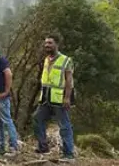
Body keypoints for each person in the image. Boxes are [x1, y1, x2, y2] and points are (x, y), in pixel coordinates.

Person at [33, 34, 75, 162]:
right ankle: (43, 147)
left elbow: (69, 81)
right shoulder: (47, 59)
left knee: (64, 125)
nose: (47, 45)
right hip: (45, 98)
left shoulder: (66, 60)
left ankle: (68, 154)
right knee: (37, 118)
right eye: (46, 43)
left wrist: (67, 98)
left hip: (59, 99)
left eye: (50, 43)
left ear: (57, 44)